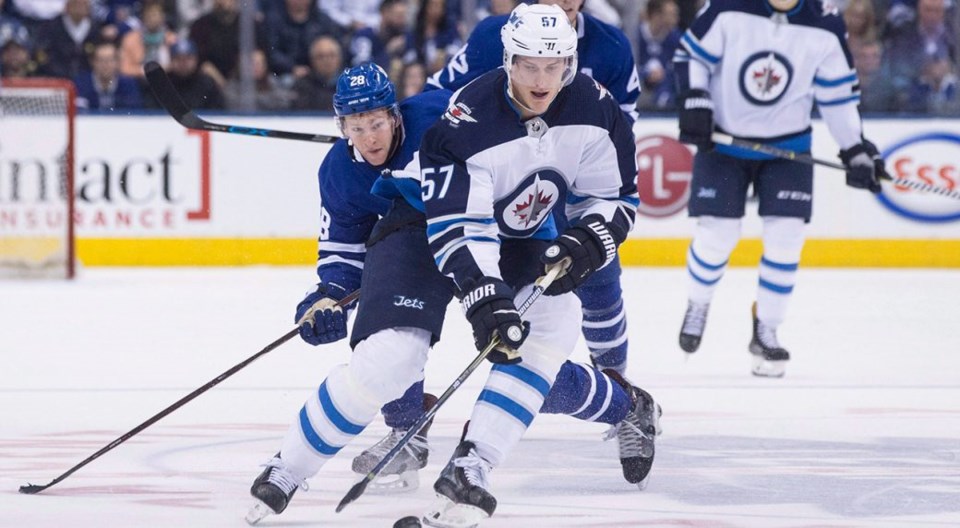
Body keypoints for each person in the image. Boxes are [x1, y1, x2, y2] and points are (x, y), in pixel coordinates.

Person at [245, 55, 658, 525]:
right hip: (416, 232)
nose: (370, 138)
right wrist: (327, 295)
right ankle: (316, 458)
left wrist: (570, 232)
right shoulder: (339, 171)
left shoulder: (445, 113)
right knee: (389, 353)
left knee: (529, 357)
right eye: (355, 128)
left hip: (504, 230)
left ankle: (626, 406)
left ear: (395, 113)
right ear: (341, 126)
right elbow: (342, 247)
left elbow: (532, 161)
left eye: (377, 123)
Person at [354, 0, 644, 484]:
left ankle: (623, 399)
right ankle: (407, 426)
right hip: (476, 190)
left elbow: (618, 138)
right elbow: (438, 100)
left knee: (588, 288)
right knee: (407, 305)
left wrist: (590, 225)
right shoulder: (494, 34)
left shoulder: (611, 45)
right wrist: (411, 147)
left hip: (557, 195)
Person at [672, 0, 889, 377]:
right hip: (723, 144)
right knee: (718, 236)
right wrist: (695, 97)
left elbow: (837, 95)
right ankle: (698, 301)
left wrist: (854, 148)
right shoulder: (728, 7)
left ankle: (767, 328)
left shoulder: (825, 22)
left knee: (786, 237)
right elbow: (692, 56)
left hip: (788, 149)